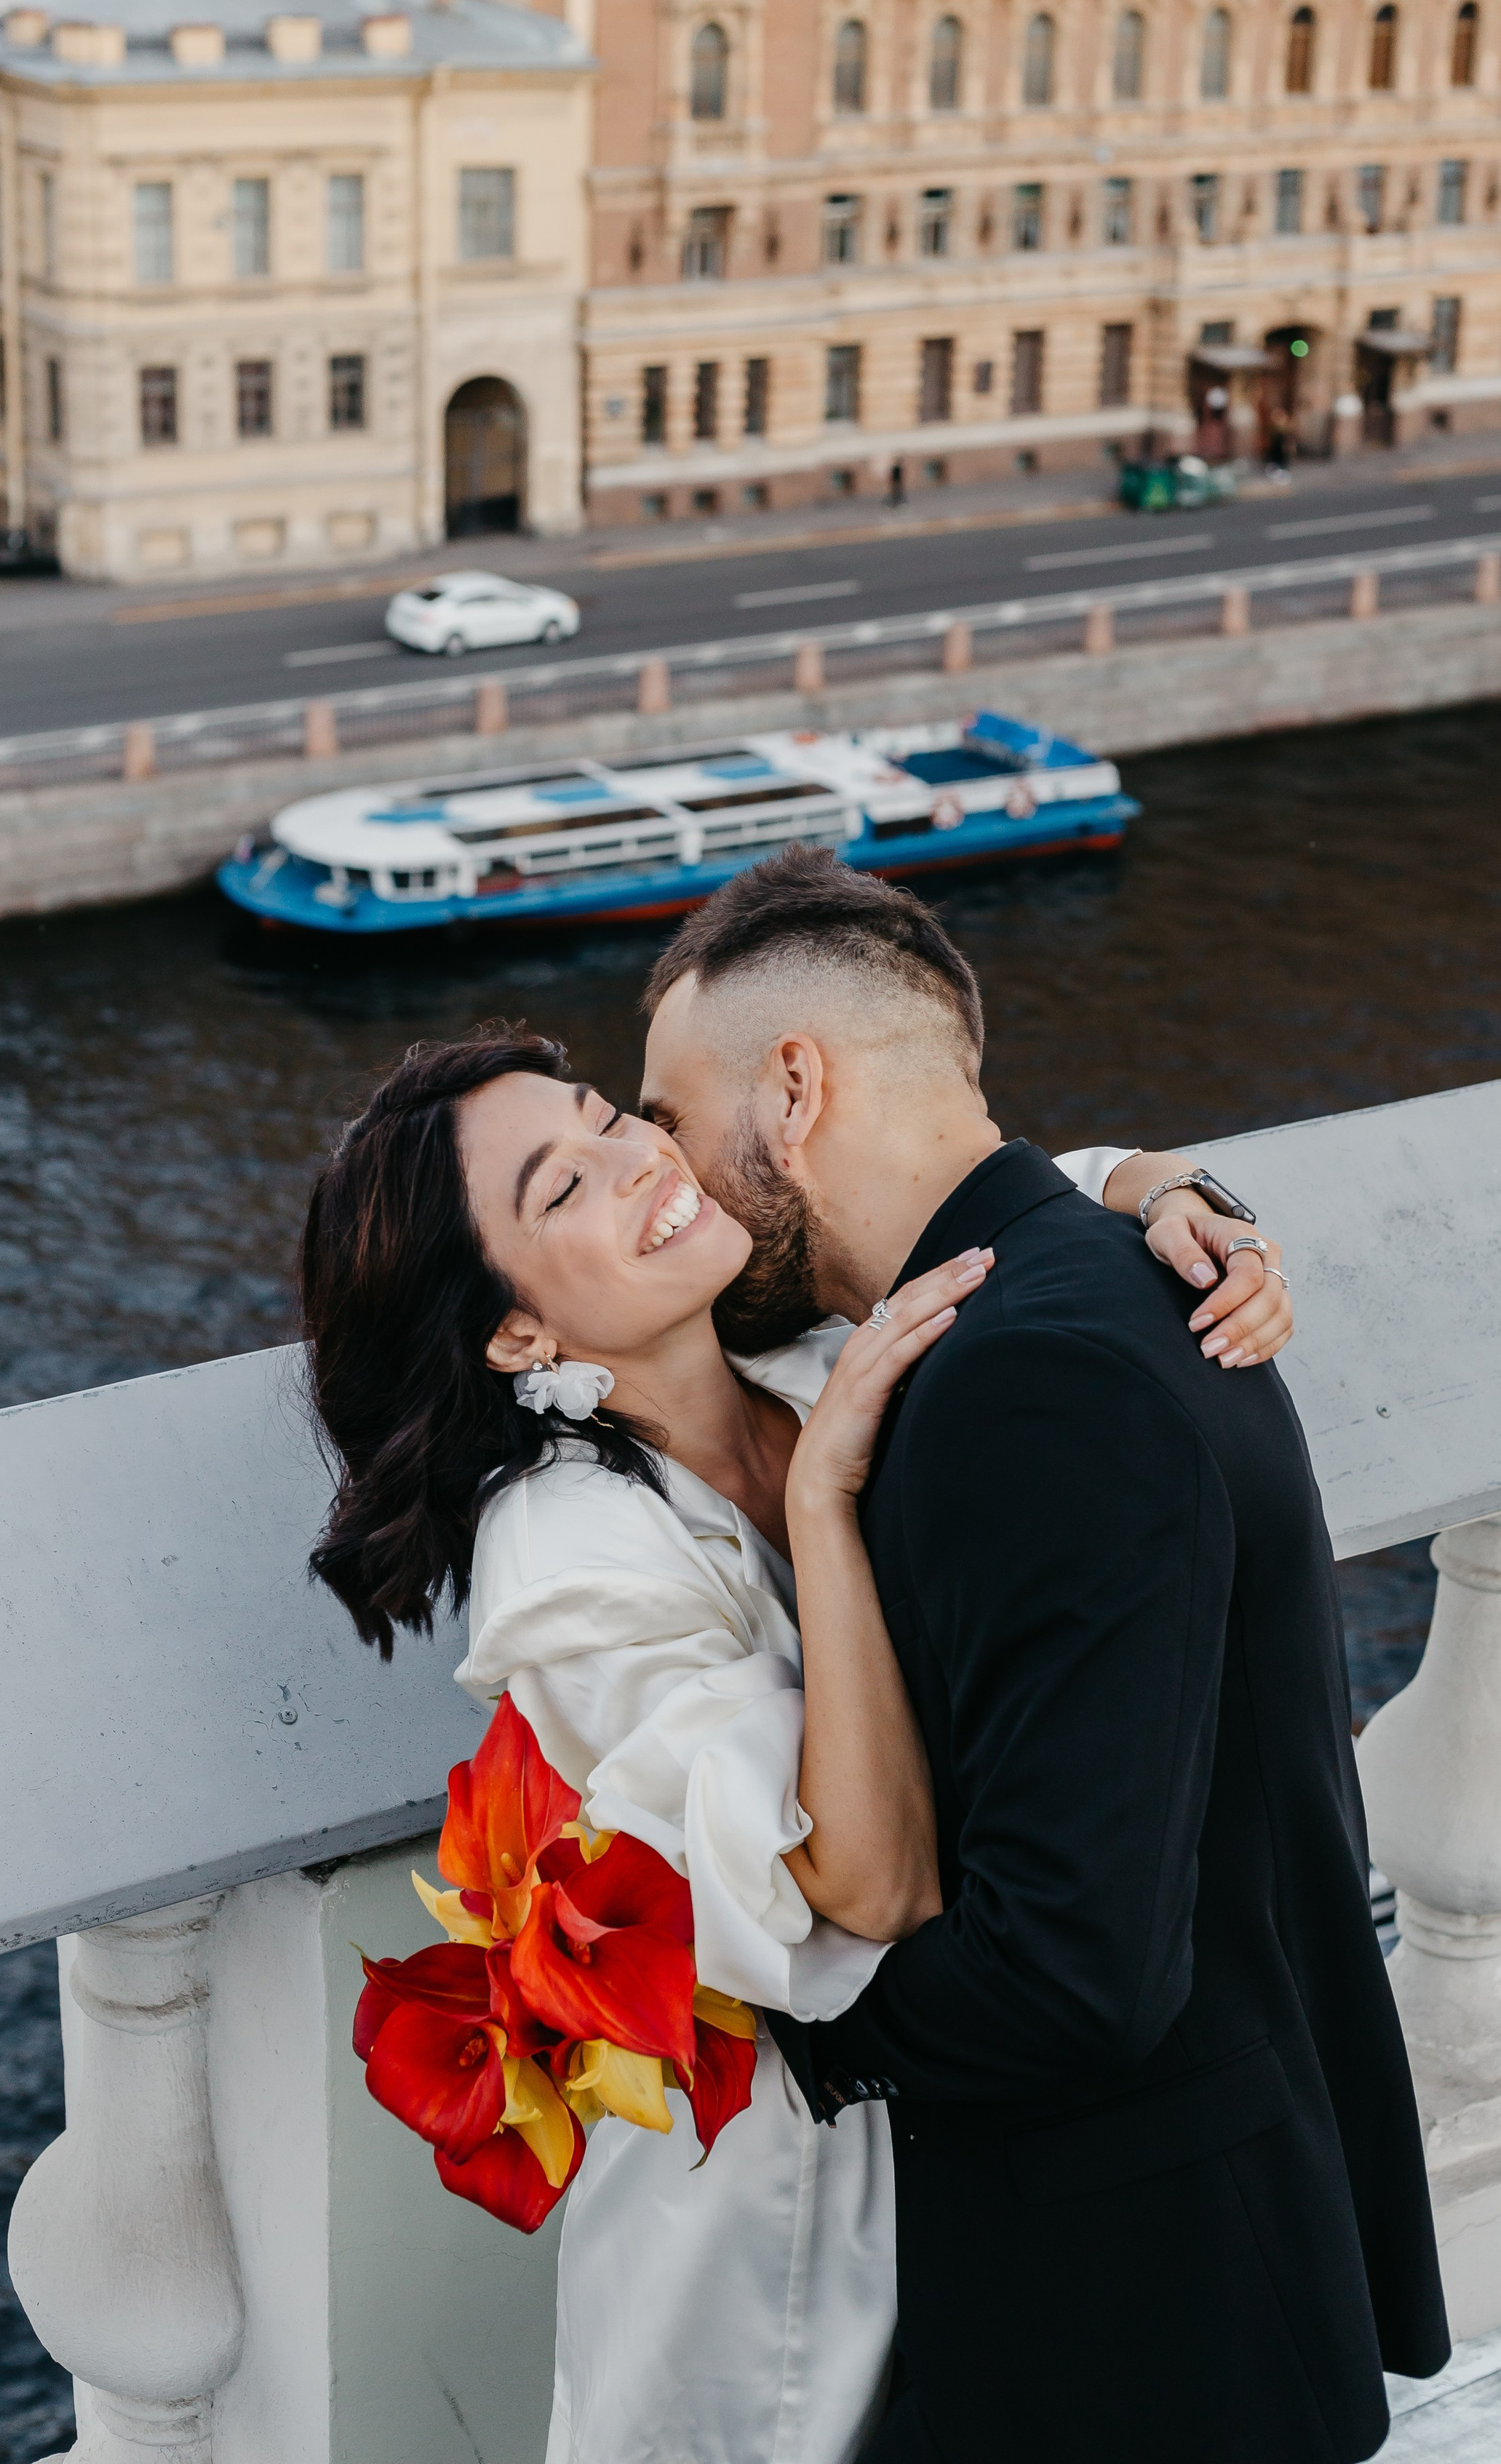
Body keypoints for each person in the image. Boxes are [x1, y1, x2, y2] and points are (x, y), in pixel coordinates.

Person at [301, 1014, 1292, 2463]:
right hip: (770, 2211)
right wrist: (823, 1509)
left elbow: (988, 1191)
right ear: (517, 1330)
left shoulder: (791, 1346)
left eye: (607, 1117)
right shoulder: (569, 1562)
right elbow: (870, 1885)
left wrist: (1170, 1193)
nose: (636, 1158)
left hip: (971, 2133)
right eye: (563, 1189)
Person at [640, 850, 1452, 2463]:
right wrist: (1159, 1180)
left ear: (791, 1089)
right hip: (1205, 2251)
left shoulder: (1028, 1385)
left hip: (1138, 2323)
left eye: (668, 1120)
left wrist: (776, 2025)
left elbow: (1073, 1972)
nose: (668, 1181)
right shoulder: (1103, 1279)